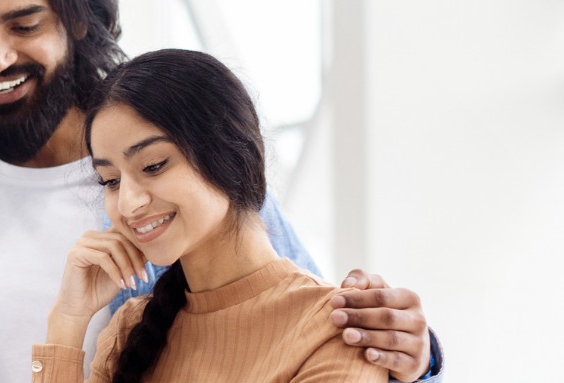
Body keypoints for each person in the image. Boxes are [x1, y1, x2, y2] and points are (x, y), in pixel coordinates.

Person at [0, 0, 442, 382]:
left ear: (75, 19)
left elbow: (301, 321)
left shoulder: (205, 186)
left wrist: (415, 351)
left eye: (22, 23)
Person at [34, 48, 385, 382]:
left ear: (230, 155)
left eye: (153, 165)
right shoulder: (131, 329)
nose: (127, 204)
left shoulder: (337, 330)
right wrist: (67, 319)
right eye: (110, 180)